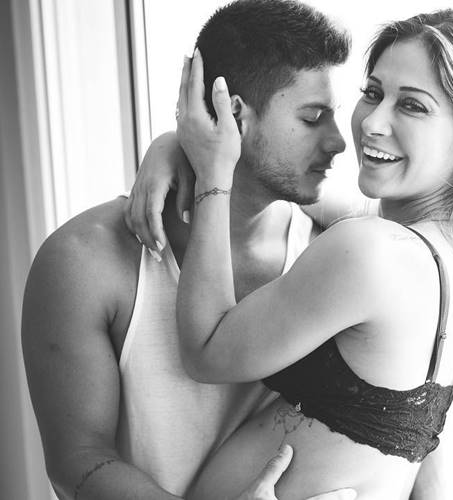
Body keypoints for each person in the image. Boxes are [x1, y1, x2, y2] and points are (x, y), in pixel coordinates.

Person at [130, 8, 453, 499]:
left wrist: (211, 173)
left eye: (412, 106)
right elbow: (295, 188)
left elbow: (207, 351)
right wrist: (174, 148)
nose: (372, 122)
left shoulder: (371, 251)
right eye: (372, 93)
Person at [21, 1, 358, 499]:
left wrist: (174, 143)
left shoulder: (336, 251)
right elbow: (77, 460)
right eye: (313, 118)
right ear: (233, 115)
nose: (338, 142)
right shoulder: (83, 260)